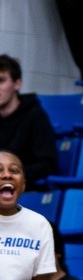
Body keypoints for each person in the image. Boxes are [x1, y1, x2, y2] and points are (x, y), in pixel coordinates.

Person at [0, 58, 58, 189]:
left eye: (1, 81)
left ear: (17, 84)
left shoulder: (35, 116)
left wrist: (9, 175)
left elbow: (47, 164)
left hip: (26, 190)